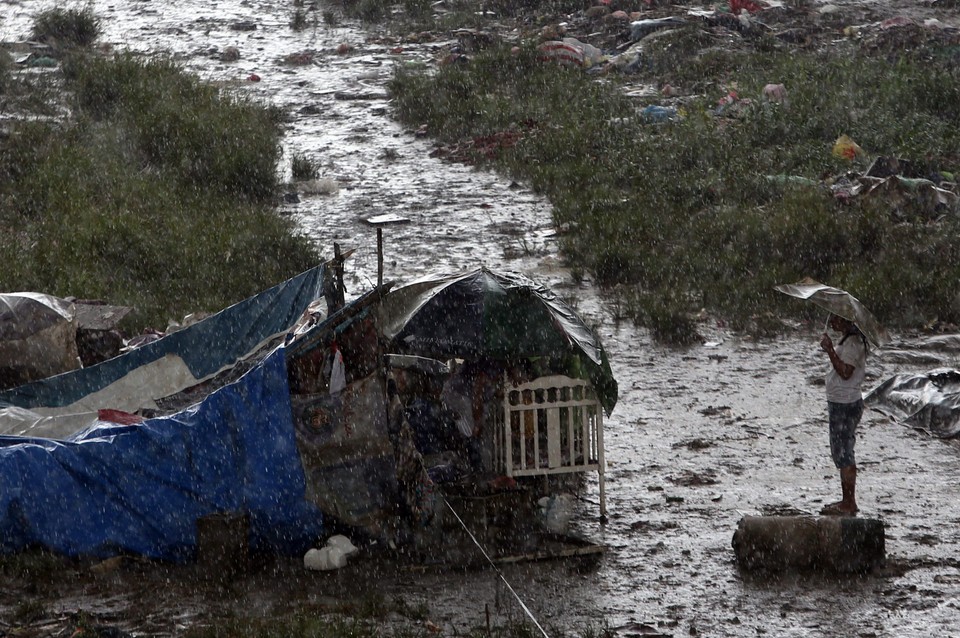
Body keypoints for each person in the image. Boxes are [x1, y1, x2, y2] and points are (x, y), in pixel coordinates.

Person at [819, 313, 868, 516]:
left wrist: (830, 350)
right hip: (841, 402)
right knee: (841, 450)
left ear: (847, 319)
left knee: (844, 452)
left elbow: (846, 372)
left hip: (845, 404)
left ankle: (849, 502)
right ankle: (847, 500)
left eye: (835, 319)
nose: (831, 322)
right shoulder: (848, 338)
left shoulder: (854, 342)